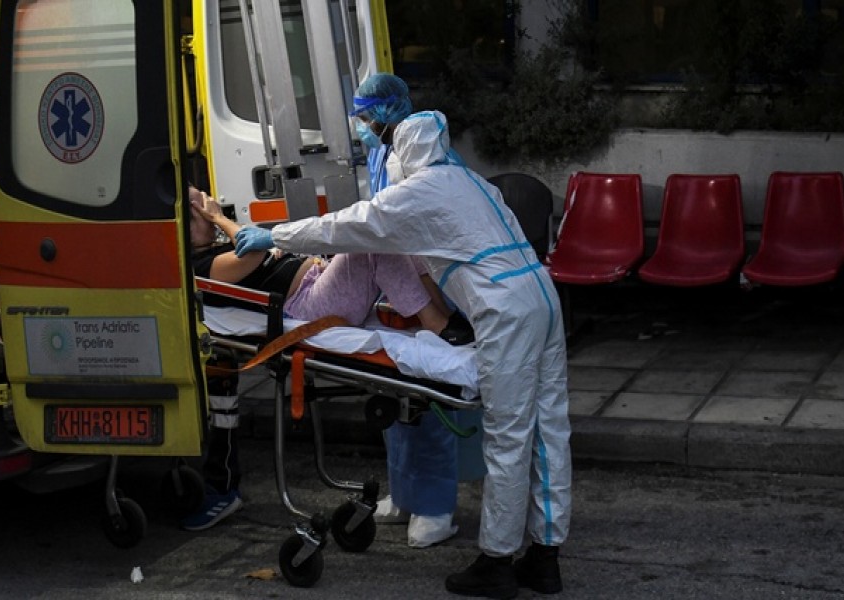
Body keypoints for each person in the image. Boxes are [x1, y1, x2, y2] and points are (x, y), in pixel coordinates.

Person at [233, 110, 572, 598]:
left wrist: (277, 235)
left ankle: (497, 562)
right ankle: (545, 558)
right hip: (542, 297)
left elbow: (349, 225)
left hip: (505, 311)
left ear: (404, 153)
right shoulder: (471, 181)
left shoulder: (419, 191)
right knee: (548, 428)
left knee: (510, 436)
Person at [180, 185, 473, 531]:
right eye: (197, 207)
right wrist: (220, 217)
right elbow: (254, 254)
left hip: (316, 281)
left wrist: (217, 220)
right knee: (371, 243)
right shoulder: (200, 265)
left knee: (395, 234)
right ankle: (438, 324)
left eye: (203, 198)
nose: (206, 203)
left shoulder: (216, 247)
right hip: (305, 305)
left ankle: (444, 317)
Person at [347, 73, 465, 549]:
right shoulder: (381, 154)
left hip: (437, 288)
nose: (362, 125)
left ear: (391, 111)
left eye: (367, 115)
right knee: (394, 397)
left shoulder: (434, 164)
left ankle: (435, 506)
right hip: (400, 288)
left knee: (428, 397)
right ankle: (405, 495)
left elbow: (420, 230)